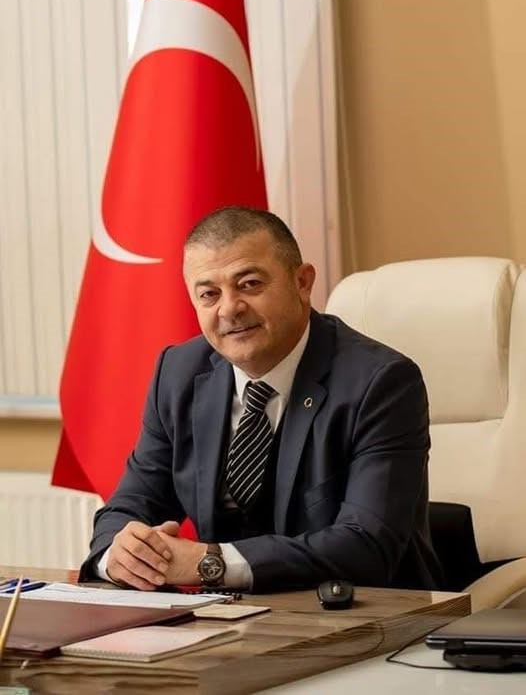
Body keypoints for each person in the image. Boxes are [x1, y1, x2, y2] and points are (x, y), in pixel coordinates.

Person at [80, 206, 442, 593]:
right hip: (224, 616)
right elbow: (129, 505)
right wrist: (121, 554)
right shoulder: (178, 373)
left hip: (360, 613)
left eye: (250, 284)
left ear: (302, 282)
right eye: (209, 294)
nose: (229, 309)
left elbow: (366, 545)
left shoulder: (380, 383)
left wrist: (211, 563)